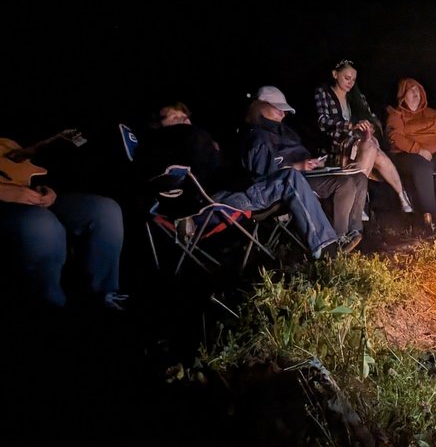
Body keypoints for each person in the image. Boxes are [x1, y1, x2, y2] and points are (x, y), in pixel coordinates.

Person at [138, 96, 354, 259]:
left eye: (185, 117)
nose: (184, 121)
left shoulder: (194, 139)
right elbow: (174, 184)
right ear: (157, 124)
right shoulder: (168, 145)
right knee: (290, 178)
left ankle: (330, 240)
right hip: (220, 198)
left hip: (236, 189)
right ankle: (326, 248)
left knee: (292, 177)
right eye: (175, 117)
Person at [1, 128, 126, 311]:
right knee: (42, 225)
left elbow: (16, 162)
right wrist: (5, 191)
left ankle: (104, 296)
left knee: (105, 210)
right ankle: (53, 305)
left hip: (28, 195)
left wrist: (47, 191)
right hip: (8, 204)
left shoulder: (6, 142)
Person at [244, 86, 368, 253]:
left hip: (306, 175)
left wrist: (317, 163)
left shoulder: (285, 132)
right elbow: (265, 178)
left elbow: (301, 155)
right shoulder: (258, 137)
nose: (283, 113)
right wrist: (298, 166)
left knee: (359, 177)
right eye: (278, 108)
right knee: (344, 183)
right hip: (288, 185)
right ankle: (339, 238)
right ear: (260, 106)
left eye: (284, 110)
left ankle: (354, 232)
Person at [314, 59, 414, 214]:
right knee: (373, 149)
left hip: (358, 142)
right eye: (347, 78)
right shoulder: (323, 93)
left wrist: (370, 130)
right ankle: (399, 195)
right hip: (334, 143)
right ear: (335, 74)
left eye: (353, 79)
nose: (350, 83)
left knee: (371, 146)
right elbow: (322, 121)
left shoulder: (356, 97)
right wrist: (350, 126)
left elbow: (371, 118)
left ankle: (388, 198)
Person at [385, 78, 436, 228]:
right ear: (403, 94)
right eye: (411, 90)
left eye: (417, 90)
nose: (415, 93)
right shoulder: (396, 114)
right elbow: (395, 137)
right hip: (408, 155)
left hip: (435, 153)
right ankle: (432, 217)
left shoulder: (432, 113)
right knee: (423, 167)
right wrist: (417, 149)